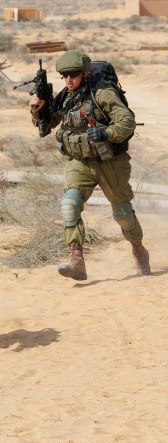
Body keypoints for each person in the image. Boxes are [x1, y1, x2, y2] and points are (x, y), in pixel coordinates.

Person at [29, 50, 151, 280]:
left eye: (73, 74)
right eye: (64, 75)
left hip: (110, 162)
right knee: (69, 205)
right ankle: (77, 260)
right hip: (79, 162)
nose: (68, 79)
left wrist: (106, 132)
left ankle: (138, 249)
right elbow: (45, 128)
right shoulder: (66, 96)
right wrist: (37, 109)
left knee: (122, 213)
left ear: (84, 73)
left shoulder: (102, 93)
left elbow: (127, 121)